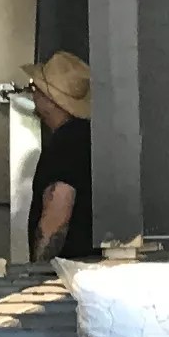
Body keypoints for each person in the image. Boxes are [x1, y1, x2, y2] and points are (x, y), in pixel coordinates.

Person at [23, 50, 97, 262]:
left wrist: (40, 268)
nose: (33, 95)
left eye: (35, 89)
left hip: (67, 268)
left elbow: (58, 205)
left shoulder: (65, 143)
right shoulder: (87, 137)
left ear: (50, 100)